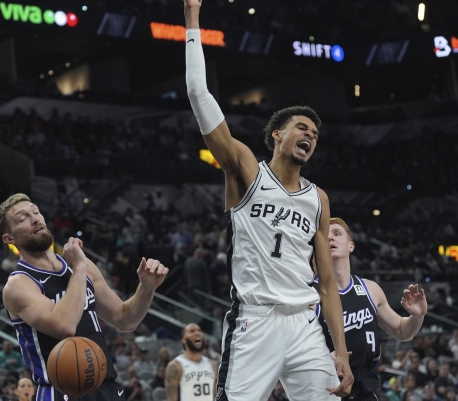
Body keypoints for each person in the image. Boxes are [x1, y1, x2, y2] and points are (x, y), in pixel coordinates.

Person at [182, 2, 353, 400]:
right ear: (277, 134)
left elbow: (327, 282)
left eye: (315, 133)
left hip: (306, 326)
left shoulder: (318, 198)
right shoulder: (246, 170)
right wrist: (192, 19)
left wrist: (340, 351)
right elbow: (198, 93)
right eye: (301, 127)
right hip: (254, 323)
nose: (310, 135)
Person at [0, 194, 169, 401]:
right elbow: (64, 326)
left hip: (106, 388)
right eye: (22, 219)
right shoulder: (19, 284)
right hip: (61, 391)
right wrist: (79, 268)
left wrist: (146, 288)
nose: (34, 219)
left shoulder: (80, 264)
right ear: (9, 238)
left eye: (35, 211)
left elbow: (125, 319)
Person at [315, 218, 427, 401]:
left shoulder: (370, 289)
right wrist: (321, 359)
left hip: (365, 389)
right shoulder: (309, 294)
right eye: (324, 237)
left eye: (336, 234)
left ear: (351, 246)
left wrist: (417, 316)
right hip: (325, 390)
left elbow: (401, 331)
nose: (330, 239)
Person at [165, 323, 217, 401]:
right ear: (184, 340)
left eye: (199, 331)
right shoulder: (176, 365)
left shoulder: (212, 365)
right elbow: (172, 398)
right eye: (192, 331)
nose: (197, 333)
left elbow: (214, 396)